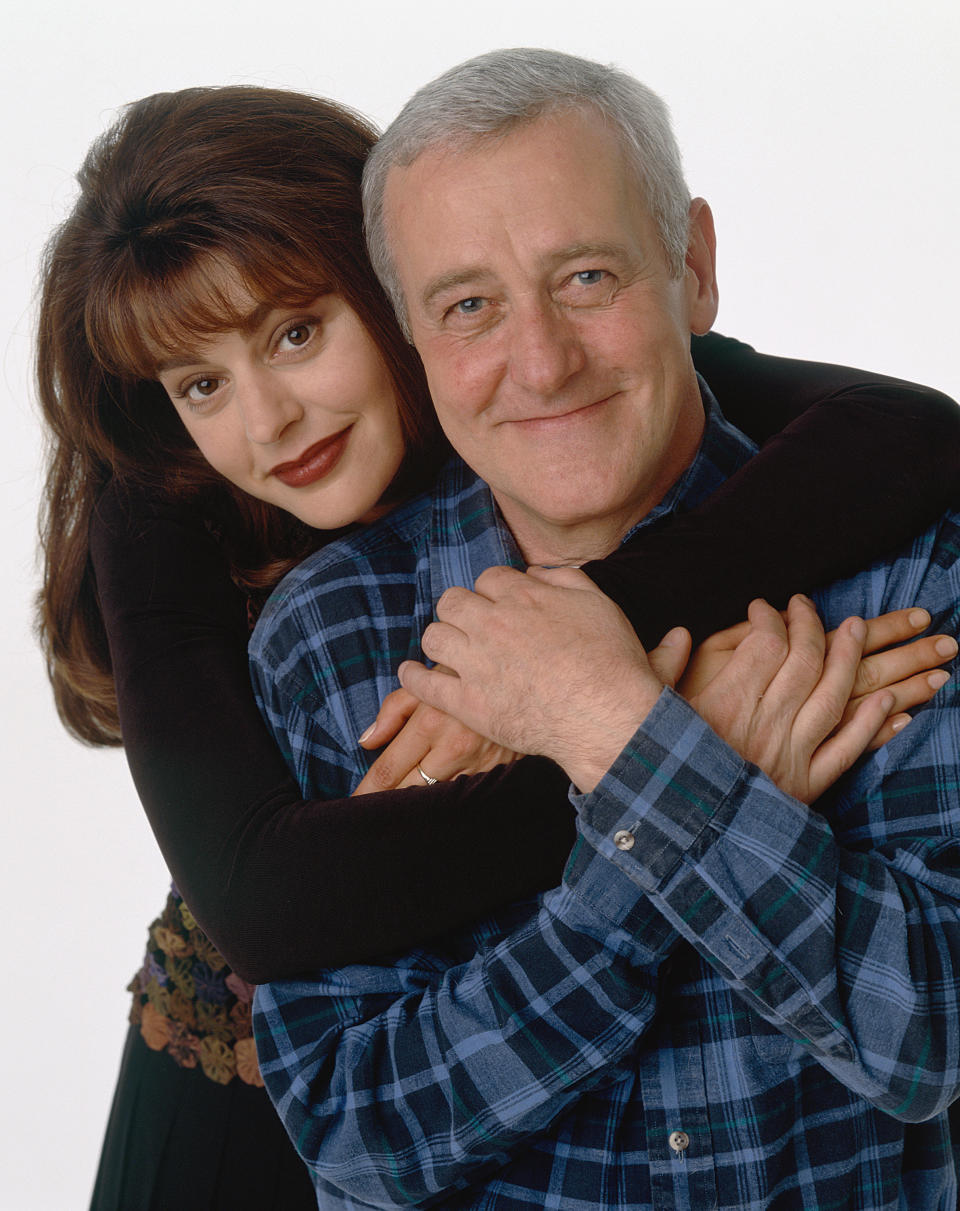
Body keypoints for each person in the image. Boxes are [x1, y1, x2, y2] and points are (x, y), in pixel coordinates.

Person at [36, 84, 954, 1211]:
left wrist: (597, 678)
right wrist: (673, 744)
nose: (267, 421)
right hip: (224, 1042)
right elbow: (270, 912)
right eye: (200, 385)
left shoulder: (785, 480)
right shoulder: (199, 539)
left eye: (296, 332)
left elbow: (911, 430)